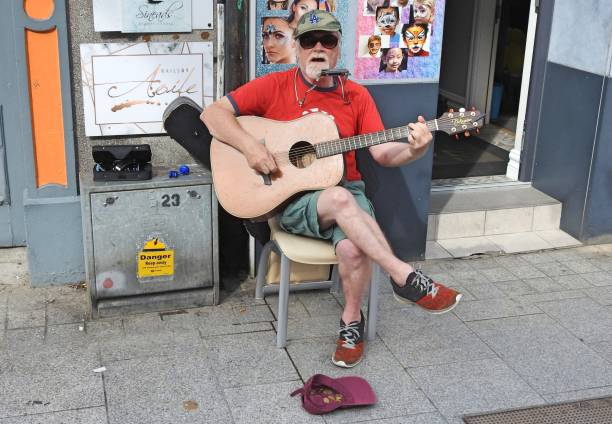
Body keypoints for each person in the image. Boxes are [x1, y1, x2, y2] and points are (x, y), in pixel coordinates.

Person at [201, 10, 461, 369]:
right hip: (291, 197)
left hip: (346, 190)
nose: (318, 48)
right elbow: (212, 116)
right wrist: (251, 148)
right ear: (297, 47)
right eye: (309, 41)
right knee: (337, 198)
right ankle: (402, 276)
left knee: (353, 249)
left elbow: (383, 153)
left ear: (339, 48)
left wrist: (415, 149)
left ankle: (351, 322)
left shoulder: (355, 95)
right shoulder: (274, 85)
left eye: (328, 41)